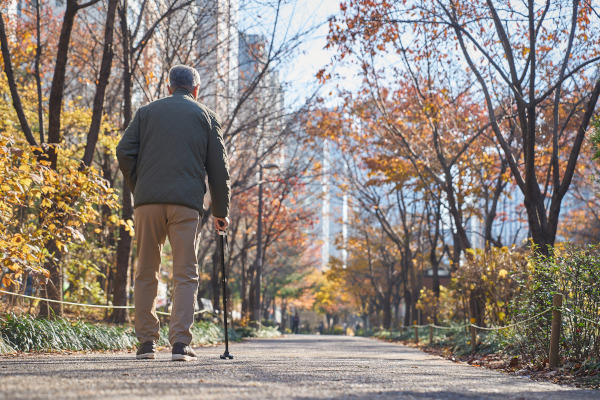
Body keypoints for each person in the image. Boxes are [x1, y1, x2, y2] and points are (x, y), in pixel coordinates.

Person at [116, 65, 230, 361]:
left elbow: (124, 151)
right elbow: (218, 170)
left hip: (147, 204)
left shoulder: (146, 112)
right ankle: (180, 344)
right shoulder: (206, 116)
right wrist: (221, 211)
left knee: (146, 271)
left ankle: (146, 344)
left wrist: (139, 187)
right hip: (185, 205)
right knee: (185, 273)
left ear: (169, 88)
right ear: (196, 90)